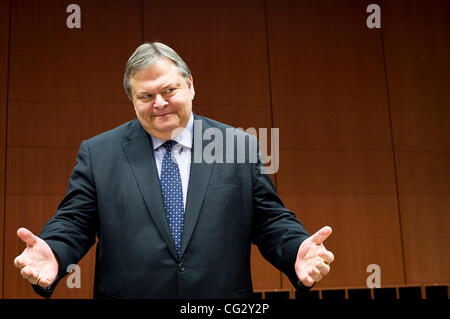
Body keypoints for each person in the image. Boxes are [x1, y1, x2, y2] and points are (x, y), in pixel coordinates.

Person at [13, 42, 334, 299]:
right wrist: (54, 252)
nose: (160, 103)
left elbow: (269, 221)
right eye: (146, 96)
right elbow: (75, 221)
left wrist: (297, 250)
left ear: (190, 85)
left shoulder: (236, 145)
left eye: (169, 90)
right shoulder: (99, 153)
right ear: (133, 100)